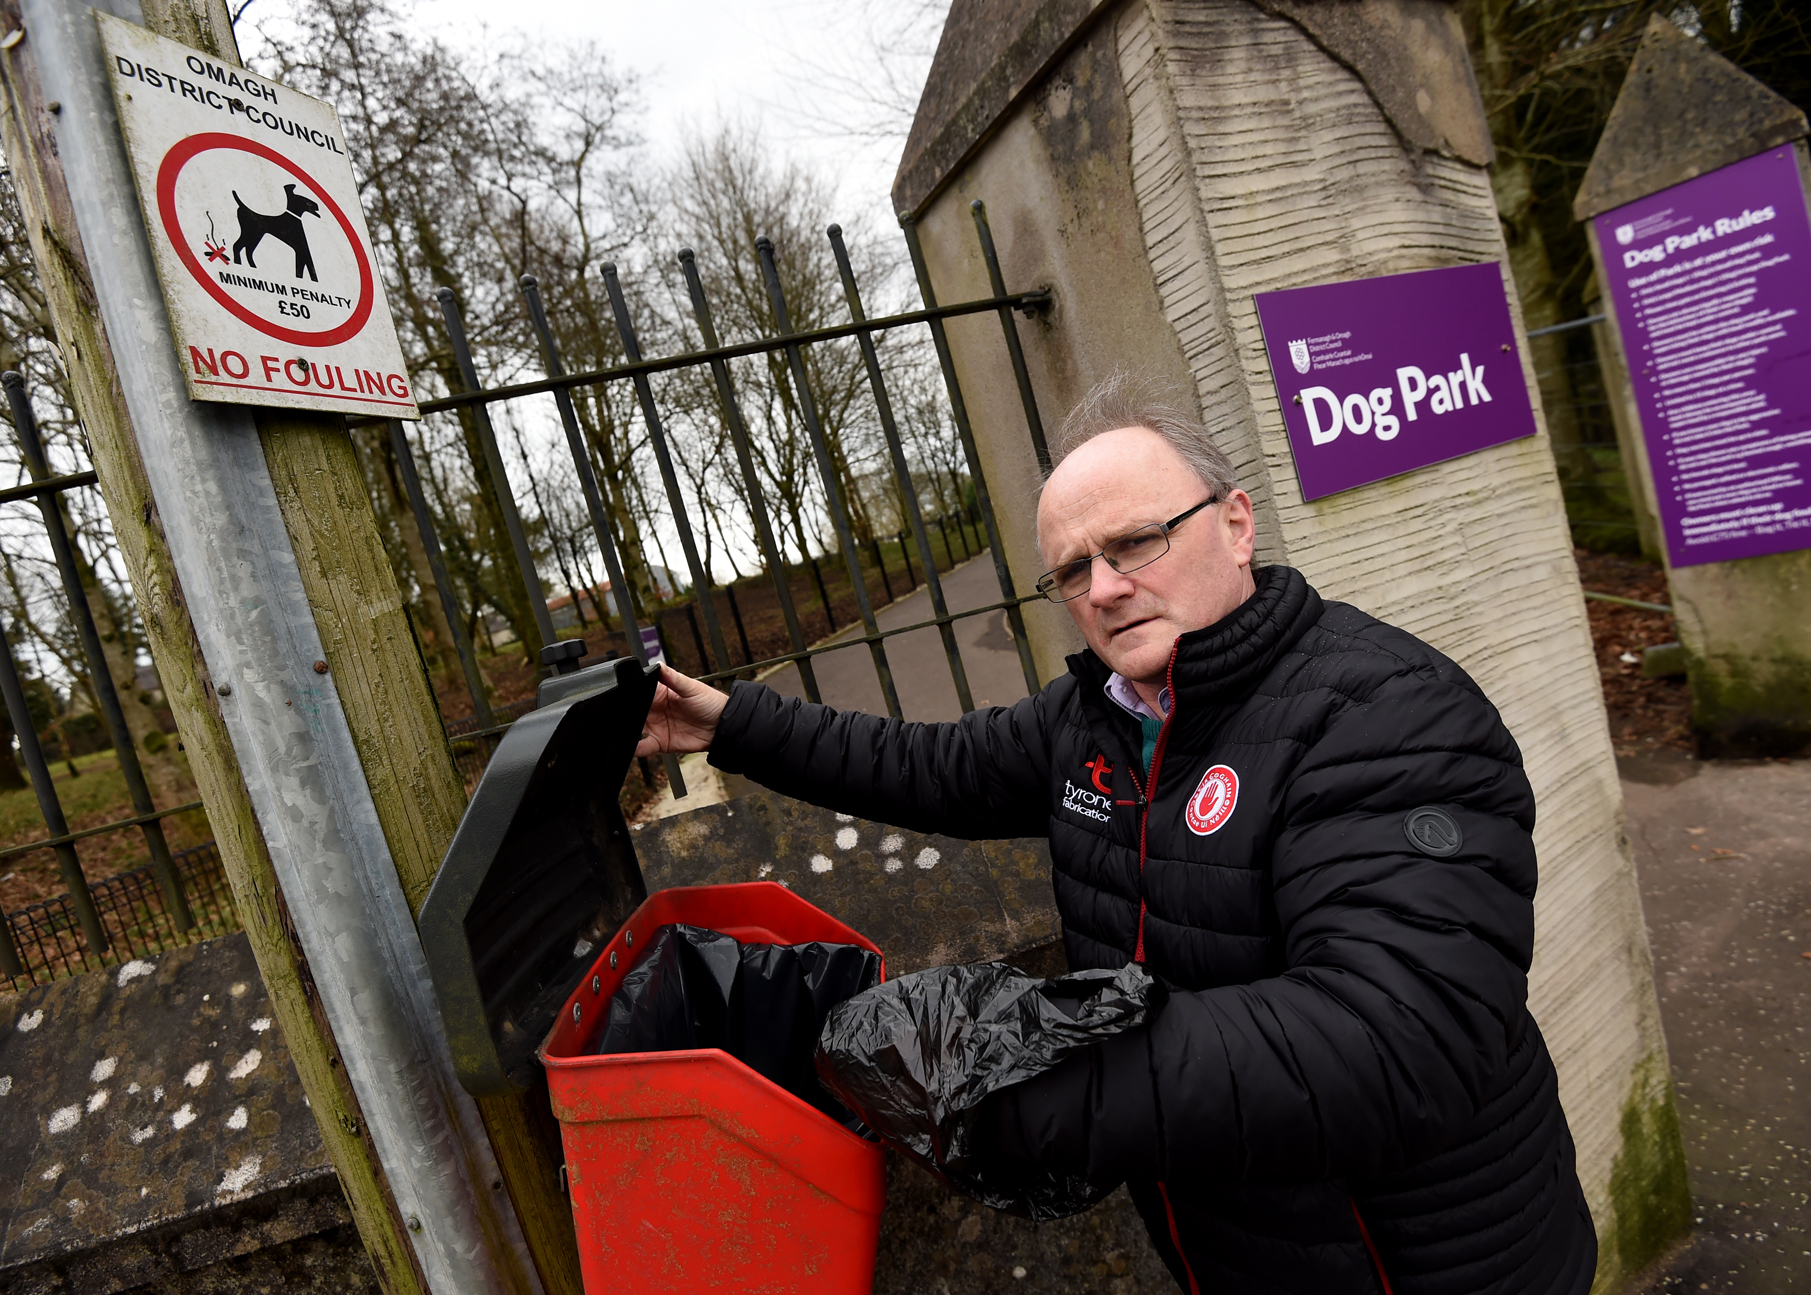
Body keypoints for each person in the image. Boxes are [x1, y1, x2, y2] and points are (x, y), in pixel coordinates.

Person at [634, 375, 1597, 1294]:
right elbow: (925, 765)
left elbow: (1397, 1036)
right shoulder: (1094, 717)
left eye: (1135, 542)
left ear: (1234, 522)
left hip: (1421, 1263)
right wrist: (729, 725)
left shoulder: (1383, 710)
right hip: (1238, 1253)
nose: (1102, 588)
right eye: (1071, 570)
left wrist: (1033, 1083)